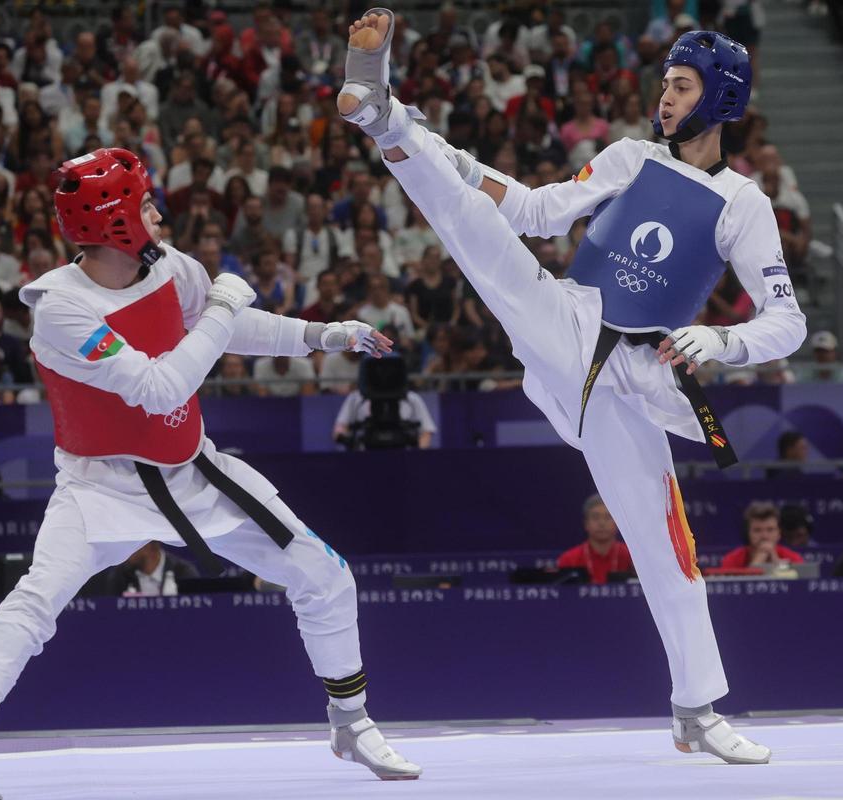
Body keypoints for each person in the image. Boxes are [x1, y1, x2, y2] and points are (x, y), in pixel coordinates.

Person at [338, 14, 800, 763]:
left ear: (719, 99)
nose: (667, 97)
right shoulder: (630, 156)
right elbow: (531, 209)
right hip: (571, 324)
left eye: (682, 86)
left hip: (635, 382)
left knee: (667, 547)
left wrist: (722, 339)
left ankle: (695, 710)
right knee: (480, 236)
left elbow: (788, 322)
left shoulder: (744, 205)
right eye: (666, 84)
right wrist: (451, 155)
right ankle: (385, 115)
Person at [0, 148, 419, 800]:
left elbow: (228, 325)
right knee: (37, 600)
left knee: (324, 574)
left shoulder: (172, 268)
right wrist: (221, 308)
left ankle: (350, 724)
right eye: (145, 202)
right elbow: (160, 387)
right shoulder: (60, 309)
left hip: (193, 472)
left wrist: (323, 335)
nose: (158, 211)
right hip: (99, 486)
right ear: (116, 222)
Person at [555, 495, 634, 583]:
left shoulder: (632, 557)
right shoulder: (569, 559)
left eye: (608, 517)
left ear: (617, 523)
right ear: (586, 524)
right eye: (595, 517)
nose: (602, 523)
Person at [719, 502, 805, 569]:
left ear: (779, 533)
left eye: (770, 529)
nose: (764, 536)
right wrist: (756, 564)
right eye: (757, 530)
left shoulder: (794, 559)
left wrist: (776, 564)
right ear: (747, 533)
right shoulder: (731, 560)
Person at [105, 541, 199, 596]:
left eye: (132, 547)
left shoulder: (184, 573)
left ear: (147, 547)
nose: (127, 553)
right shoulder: (120, 574)